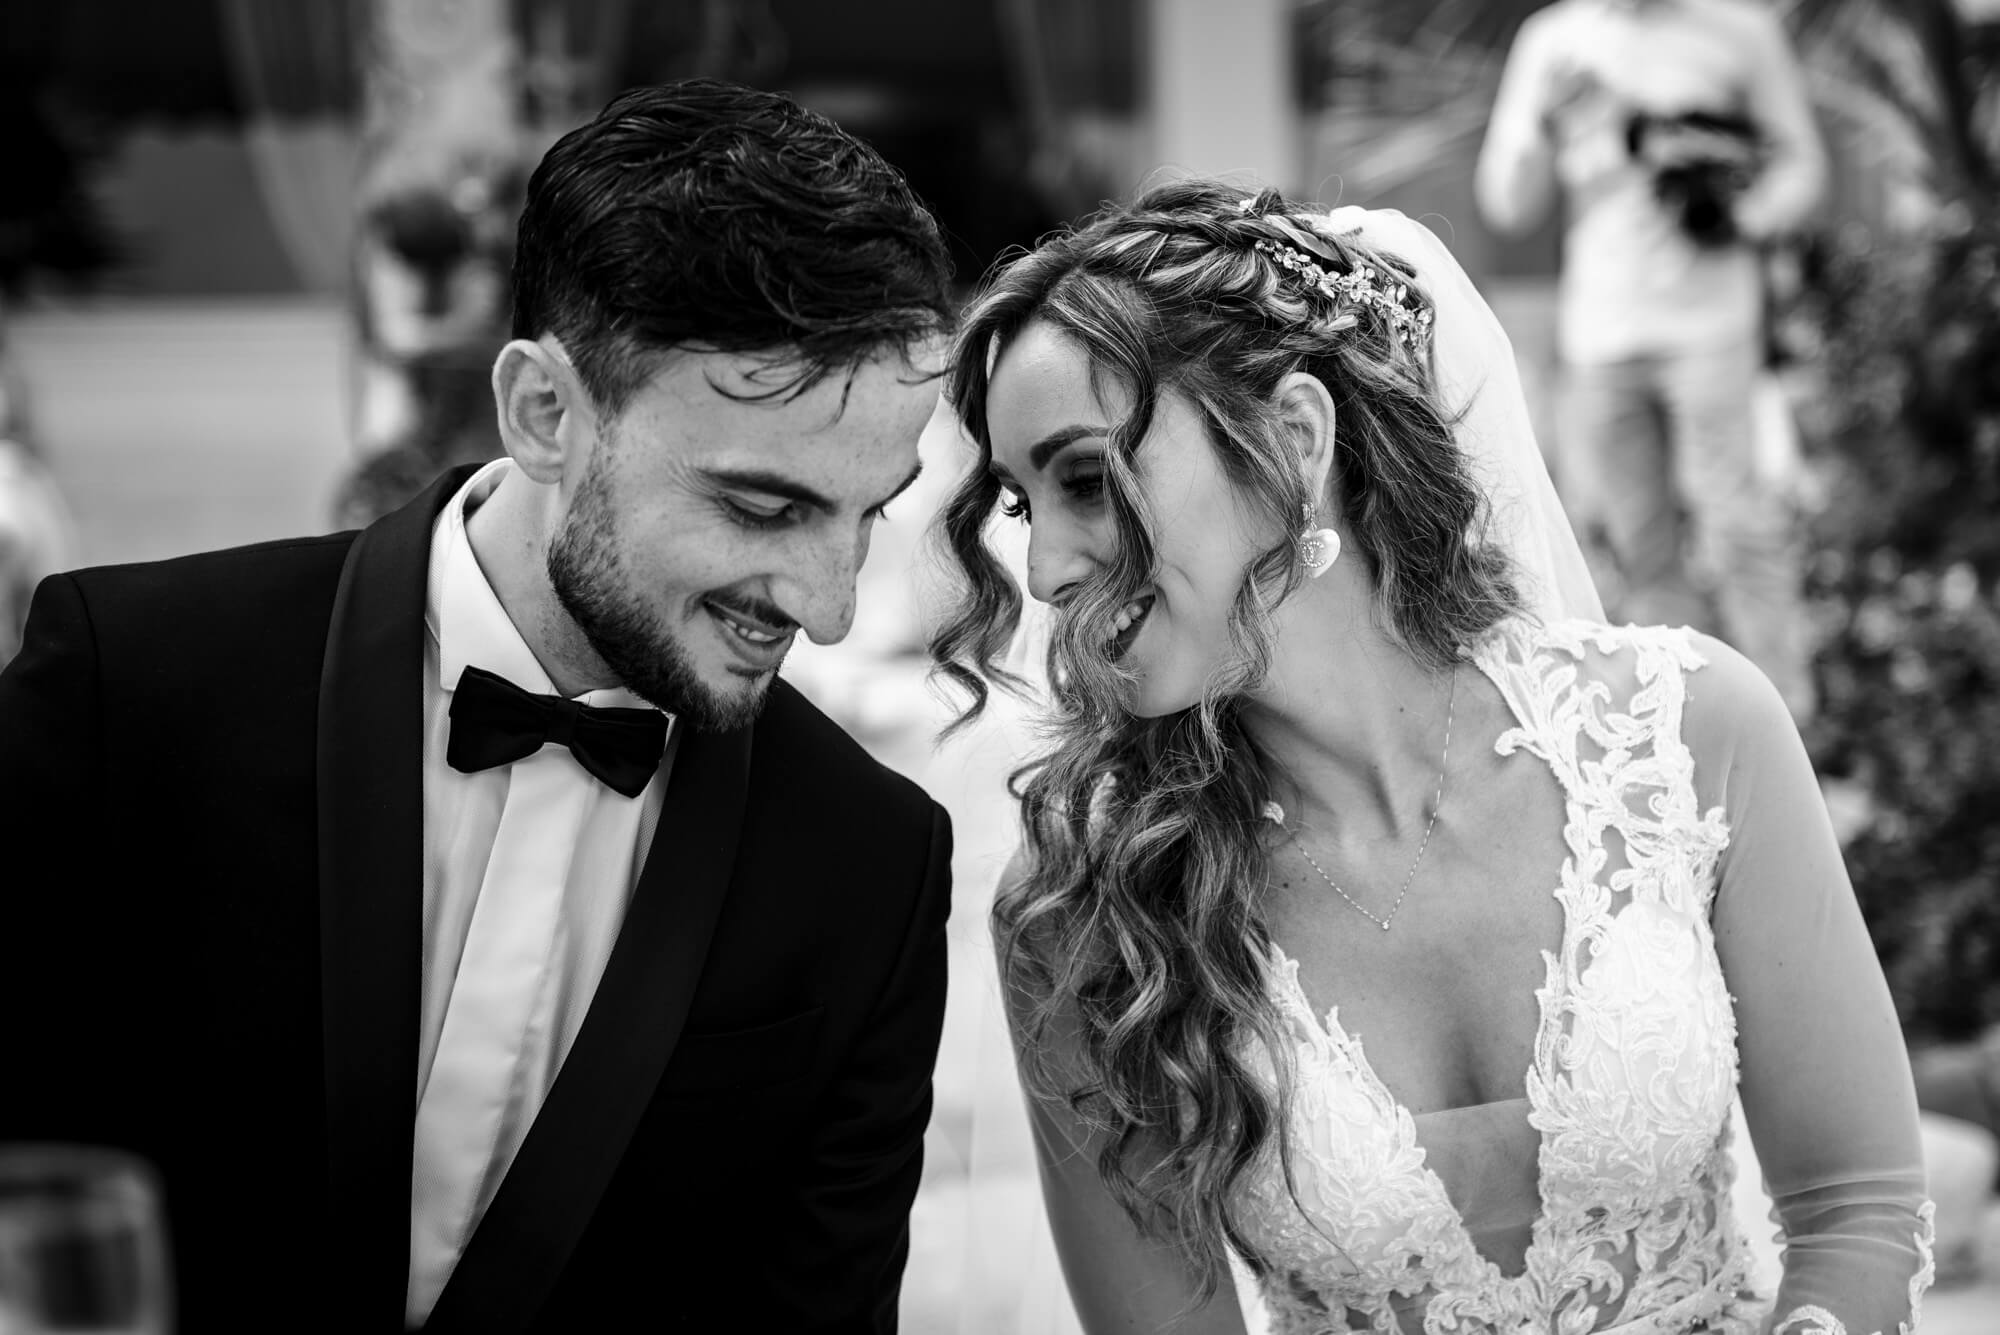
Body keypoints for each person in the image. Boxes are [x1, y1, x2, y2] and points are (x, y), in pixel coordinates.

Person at [0, 79, 955, 1334]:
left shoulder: (867, 867)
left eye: (867, 511)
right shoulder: (129, 693)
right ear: (544, 412)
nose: (829, 609)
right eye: (764, 508)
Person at [929, 180, 1932, 1334]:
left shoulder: (1688, 735)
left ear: (1293, 442)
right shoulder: (1088, 907)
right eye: (1019, 504)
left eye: (1087, 480)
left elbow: (1856, 1207)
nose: (1047, 568)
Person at [1474, 0, 1828, 722]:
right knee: (1639, 542)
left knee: (1735, 522)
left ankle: (1789, 721)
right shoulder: (1554, 42)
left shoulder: (1738, 32)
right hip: (1601, 331)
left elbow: (1803, 166)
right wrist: (1545, 116)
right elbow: (1508, 204)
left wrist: (1740, 214)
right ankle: (1679, 726)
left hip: (1711, 323)